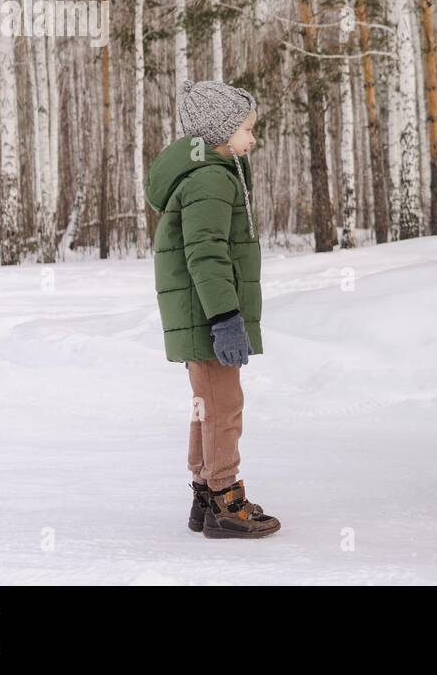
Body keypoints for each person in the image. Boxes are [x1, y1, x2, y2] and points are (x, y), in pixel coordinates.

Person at [143, 79, 279, 539]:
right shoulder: (210, 179)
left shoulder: (205, 175)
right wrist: (225, 317)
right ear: (220, 132)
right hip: (208, 315)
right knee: (223, 405)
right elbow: (206, 252)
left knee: (206, 405)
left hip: (197, 312)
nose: (253, 138)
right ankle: (225, 499)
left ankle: (204, 491)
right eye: (246, 129)